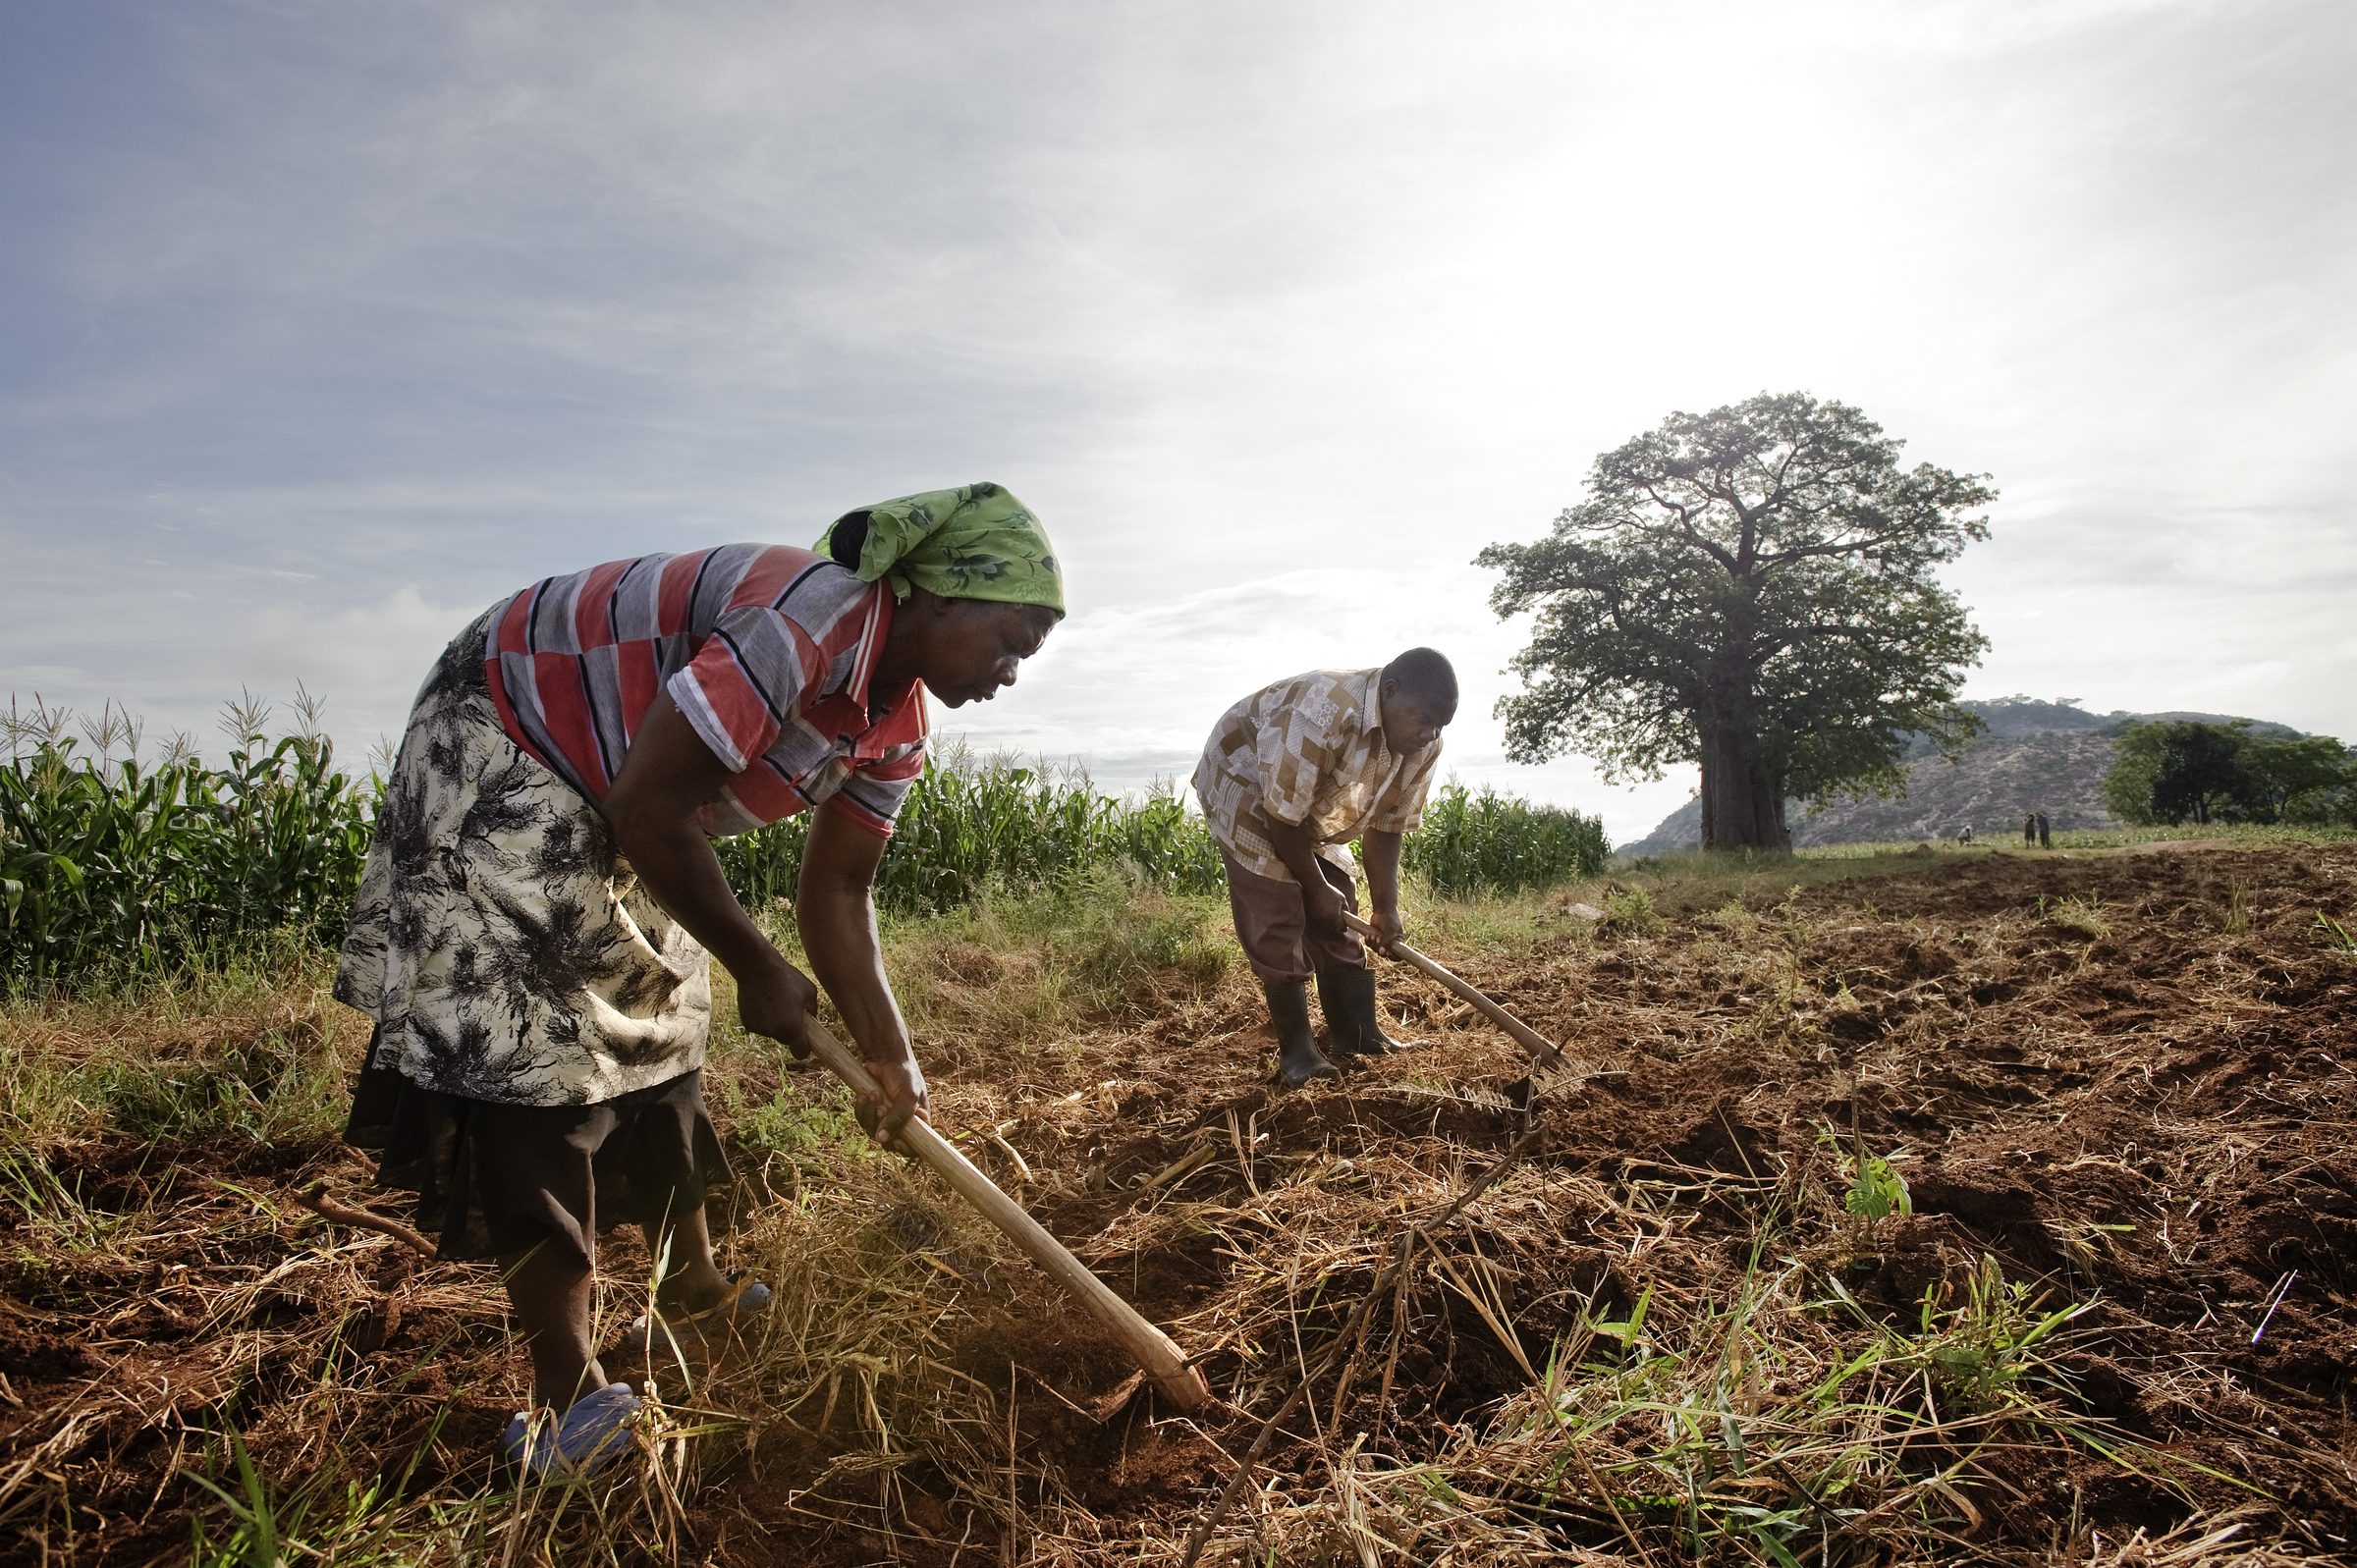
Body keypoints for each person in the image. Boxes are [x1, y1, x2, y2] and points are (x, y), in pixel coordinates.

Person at [332, 482, 1063, 1474]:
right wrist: (763, 970)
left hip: (621, 784)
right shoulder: (800, 624)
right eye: (1008, 643)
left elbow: (840, 893)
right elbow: (651, 809)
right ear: (935, 600)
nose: (1012, 674)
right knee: (532, 1049)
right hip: (505, 724)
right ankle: (566, 1400)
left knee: (665, 1010)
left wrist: (893, 1059)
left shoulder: (893, 728)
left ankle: (692, 1289)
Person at [1191, 651, 1457, 1088]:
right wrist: (1312, 889)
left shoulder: (1422, 744)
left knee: (1337, 895)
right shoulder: (1323, 712)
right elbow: (1281, 817)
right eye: (1423, 719)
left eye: (1440, 725)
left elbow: (1387, 826)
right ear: (1389, 693)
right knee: (1278, 906)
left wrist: (1386, 909)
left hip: (1300, 800)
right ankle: (1298, 1053)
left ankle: (1355, 1034)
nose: (1429, 734)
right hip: (1243, 779)